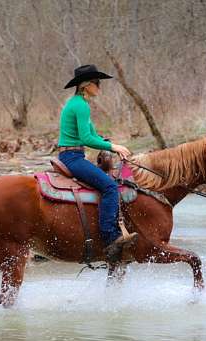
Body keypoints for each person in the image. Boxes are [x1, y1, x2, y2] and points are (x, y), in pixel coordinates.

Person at [57, 64, 138, 265]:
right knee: (110, 187)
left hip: (74, 155)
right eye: (97, 82)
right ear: (86, 85)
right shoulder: (80, 105)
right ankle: (110, 237)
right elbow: (86, 138)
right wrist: (113, 146)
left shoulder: (78, 103)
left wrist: (105, 142)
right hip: (72, 158)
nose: (99, 86)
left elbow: (92, 135)